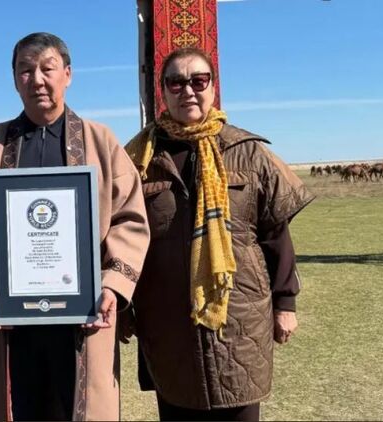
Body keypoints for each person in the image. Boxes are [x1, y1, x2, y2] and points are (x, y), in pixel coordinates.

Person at [0, 32, 150, 421]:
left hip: (84, 317)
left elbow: (130, 217)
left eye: (48, 68)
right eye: (26, 70)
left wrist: (112, 285)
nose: (37, 80)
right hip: (12, 323)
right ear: (14, 79)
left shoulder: (100, 141)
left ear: (68, 74)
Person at [121, 47, 314, 421]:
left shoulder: (248, 152)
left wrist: (286, 303)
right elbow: (123, 238)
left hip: (240, 317)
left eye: (198, 80)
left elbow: (275, 235)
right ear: (162, 91)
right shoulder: (137, 159)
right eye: (176, 83)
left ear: (213, 87)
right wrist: (124, 305)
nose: (187, 91)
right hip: (166, 319)